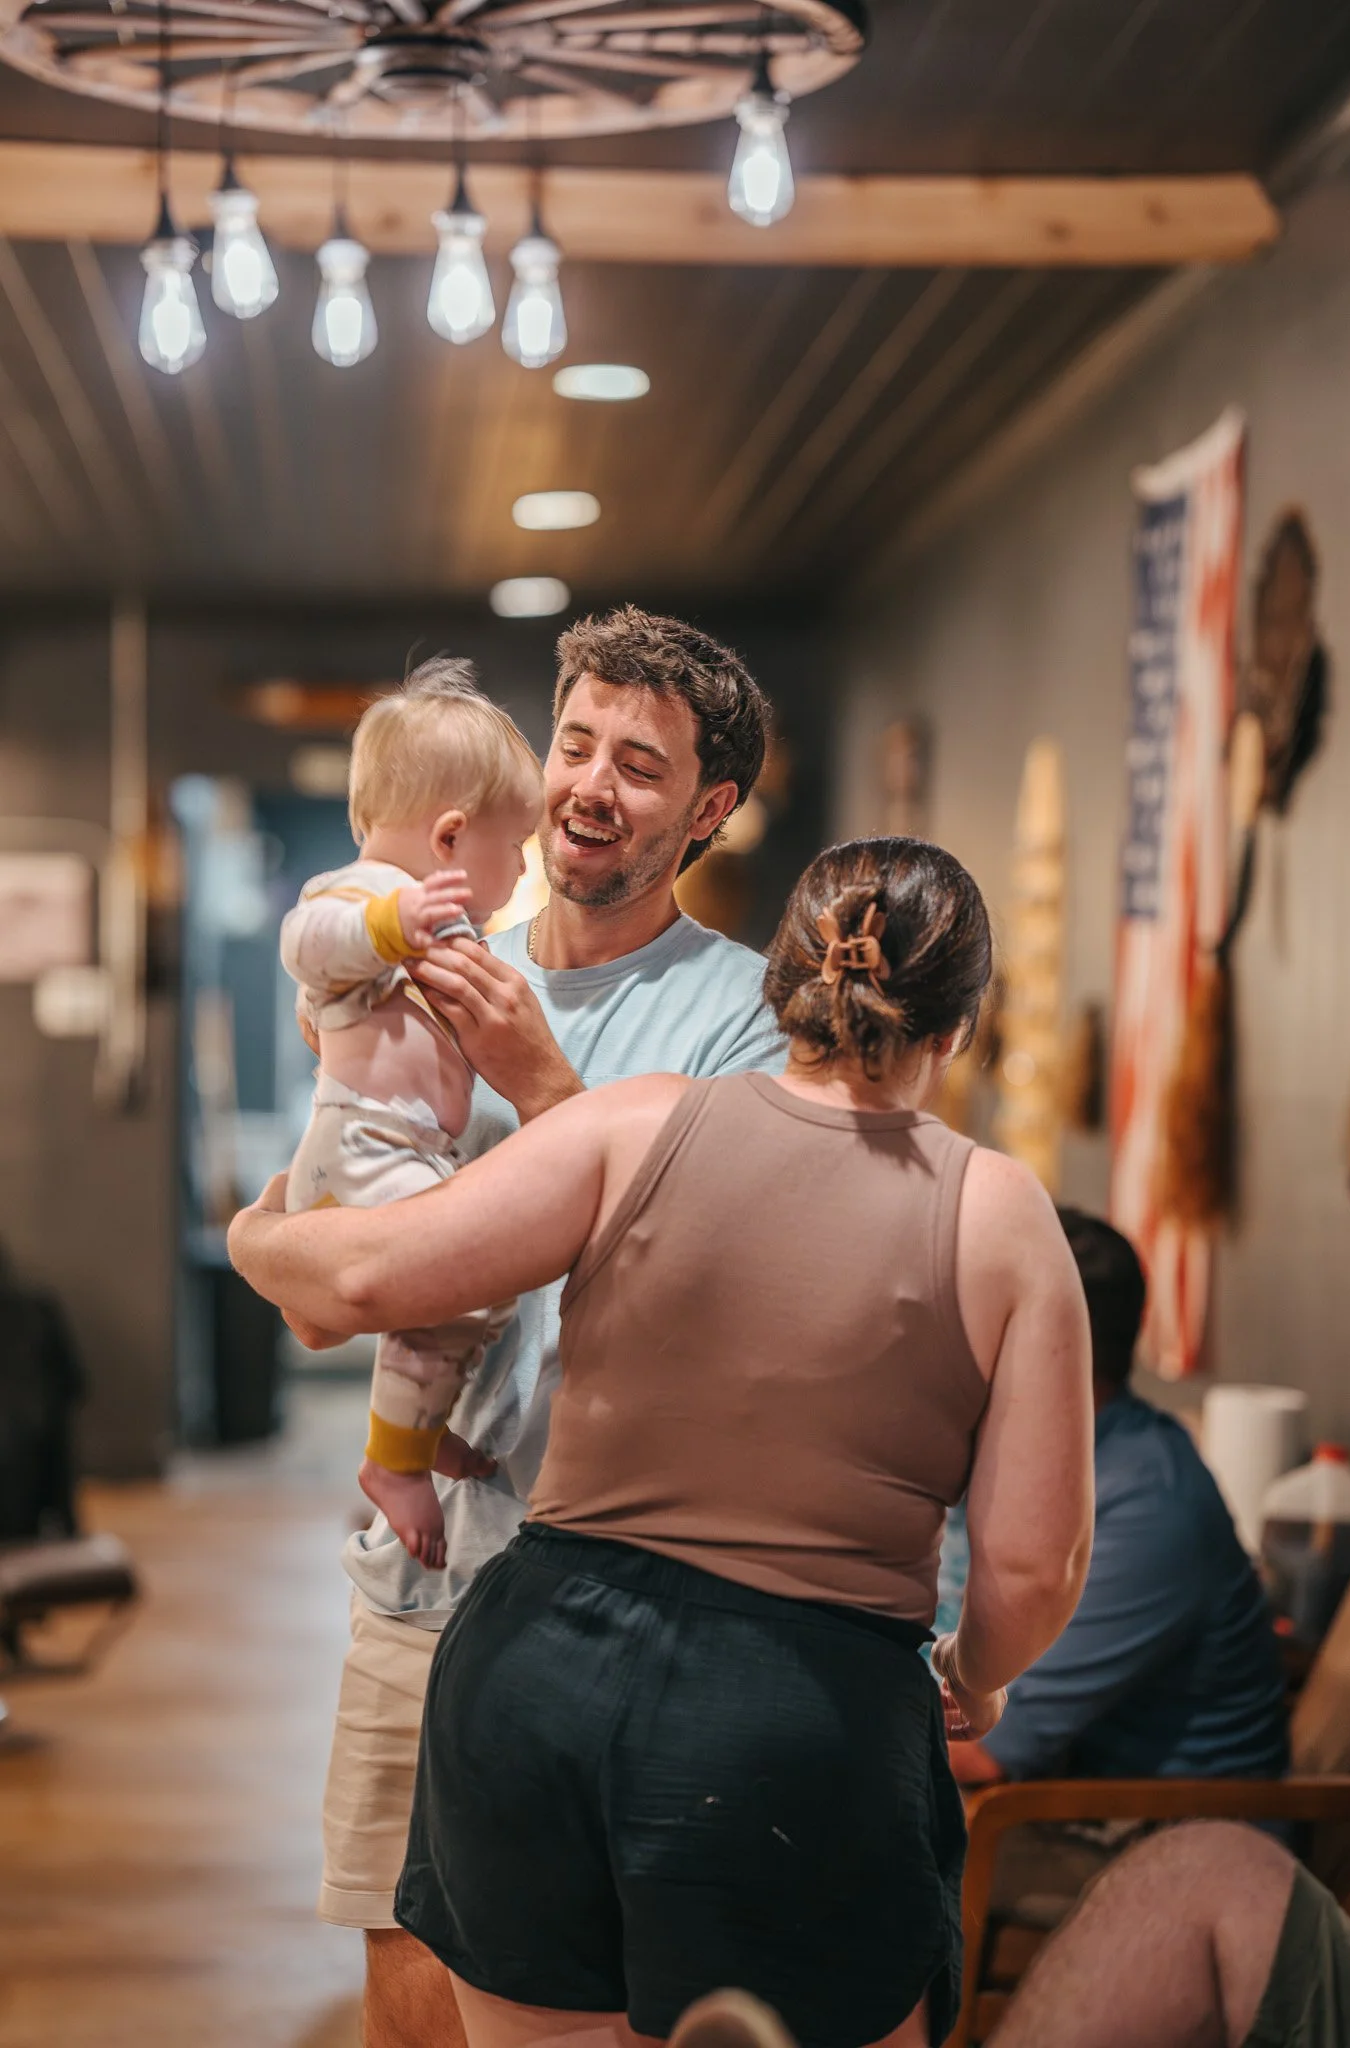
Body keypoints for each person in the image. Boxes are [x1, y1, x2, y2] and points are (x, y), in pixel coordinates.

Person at [230, 834, 1096, 2048]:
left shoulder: (631, 1125)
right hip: (795, 1720)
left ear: (785, 980)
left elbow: (364, 1272)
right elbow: (1029, 1568)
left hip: (536, 1677)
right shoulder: (999, 1215)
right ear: (958, 1030)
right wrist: (973, 1669)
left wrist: (254, 1236)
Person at [288, 607, 784, 2047]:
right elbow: (320, 1216)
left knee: (586, 2009)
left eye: (639, 762)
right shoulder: (426, 932)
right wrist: (274, 1242)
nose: (587, 782)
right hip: (420, 1588)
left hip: (626, 1603)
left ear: (710, 809)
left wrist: (543, 1079)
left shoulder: (742, 1021)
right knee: (405, 2001)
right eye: (574, 740)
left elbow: (726, 1295)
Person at [945, 1208, 1287, 1927]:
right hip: (1064, 1796)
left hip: (1161, 1842)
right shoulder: (1042, 1453)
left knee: (833, 1845)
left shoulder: (1142, 1506)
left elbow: (983, 1750)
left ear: (1052, 1343)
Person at [282, 660, 544, 1566]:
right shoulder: (357, 895)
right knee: (467, 1277)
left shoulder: (444, 926)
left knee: (474, 1299)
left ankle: (411, 1435)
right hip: (364, 1142)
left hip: (412, 1149)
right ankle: (391, 1462)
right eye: (517, 849)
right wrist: (392, 928)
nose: (520, 870)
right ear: (450, 837)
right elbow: (309, 946)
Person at [665, 1825, 1350, 2048]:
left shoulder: (1136, 1510)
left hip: (1099, 1802)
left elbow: (999, 1738)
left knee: (884, 1830)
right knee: (1209, 1866)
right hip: (1075, 1804)